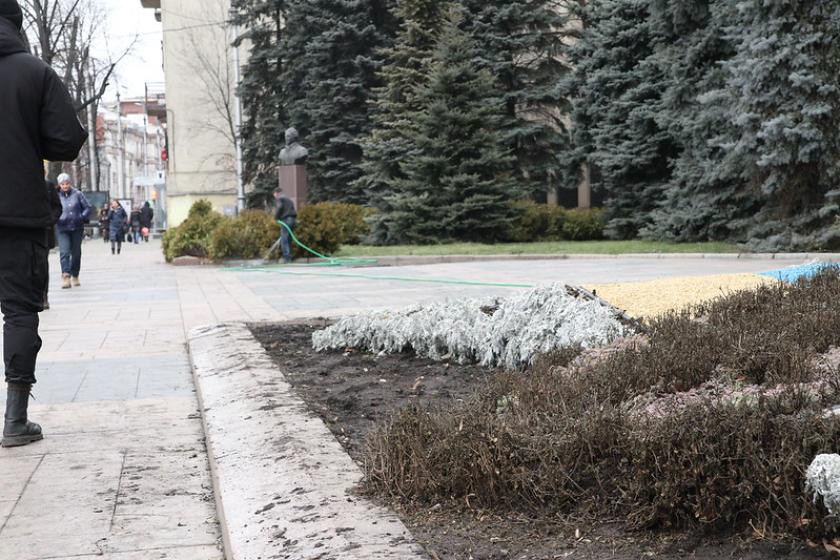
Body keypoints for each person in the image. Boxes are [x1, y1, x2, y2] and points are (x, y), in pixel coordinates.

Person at [0, 0, 88, 448]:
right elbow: (66, 141)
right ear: (16, 24)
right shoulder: (35, 72)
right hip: (16, 214)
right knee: (18, 311)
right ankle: (14, 420)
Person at [55, 173, 91, 289]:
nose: (65, 186)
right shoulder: (56, 195)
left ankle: (75, 275)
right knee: (64, 252)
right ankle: (66, 277)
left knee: (76, 253)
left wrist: (82, 217)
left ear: (70, 183)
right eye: (62, 184)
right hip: (62, 227)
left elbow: (87, 207)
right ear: (59, 185)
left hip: (76, 227)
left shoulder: (78, 194)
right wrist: (55, 218)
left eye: (67, 183)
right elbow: (52, 208)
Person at [42, 179, 61, 310]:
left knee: (42, 266)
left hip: (44, 232)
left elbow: (57, 207)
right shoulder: (16, 183)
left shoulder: (48, 186)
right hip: (20, 234)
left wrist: (50, 221)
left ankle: (43, 297)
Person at [273, 187, 297, 263]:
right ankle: (289, 257)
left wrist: (276, 217)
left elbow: (280, 207)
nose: (274, 196)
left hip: (286, 220)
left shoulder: (280, 199)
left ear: (276, 193)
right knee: (289, 239)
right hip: (293, 220)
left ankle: (287, 258)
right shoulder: (289, 200)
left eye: (274, 195)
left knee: (284, 239)